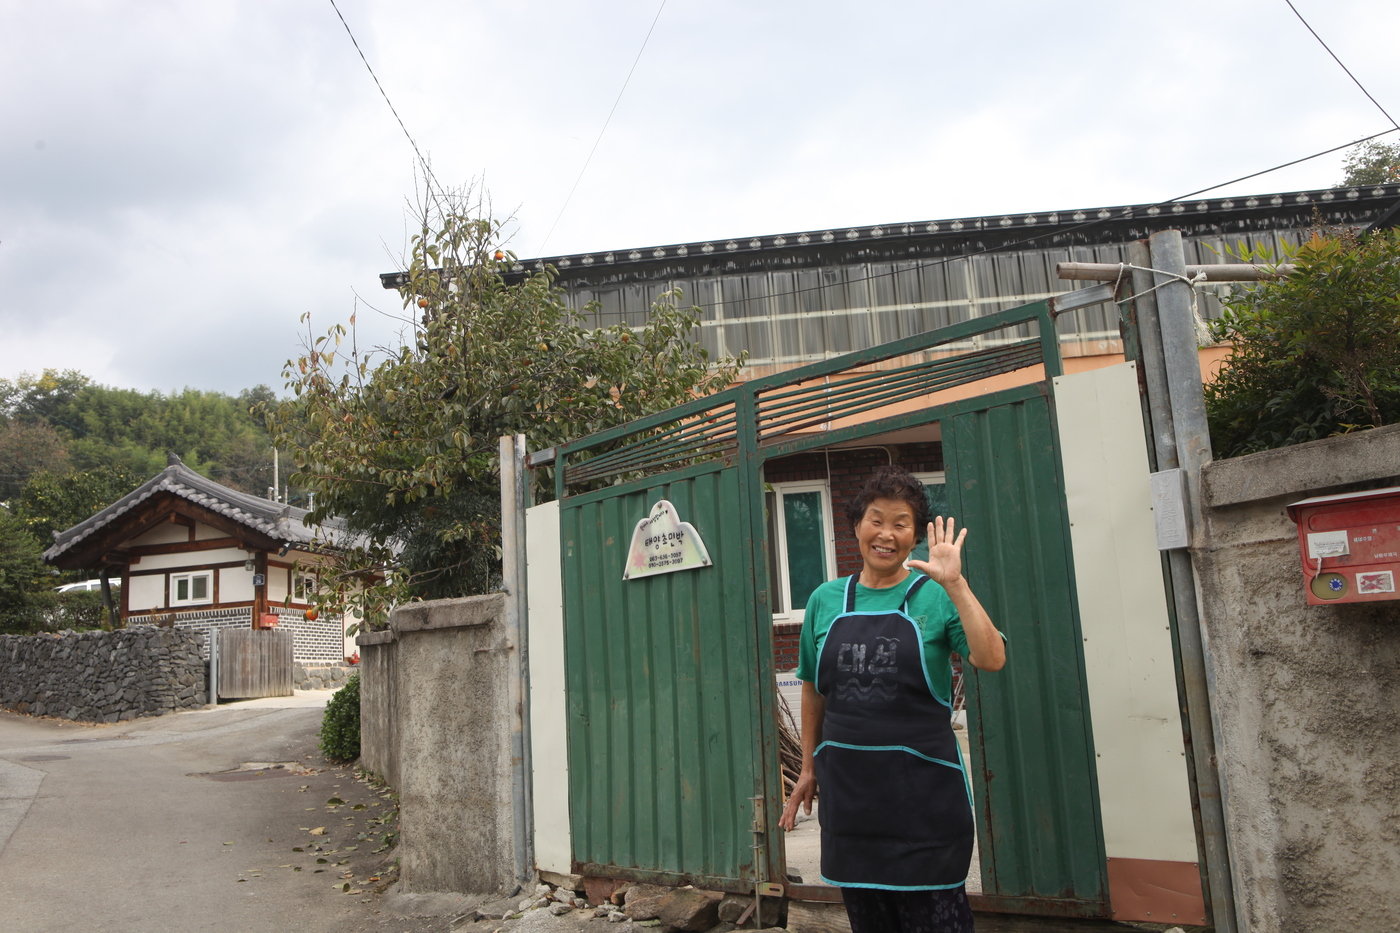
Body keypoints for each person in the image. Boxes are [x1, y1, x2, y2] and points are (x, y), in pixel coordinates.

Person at [778, 465, 1006, 933]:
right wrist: (806, 768)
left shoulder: (936, 596)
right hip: (852, 797)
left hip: (923, 797)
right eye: (876, 519)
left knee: (938, 920)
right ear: (857, 526)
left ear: (915, 535)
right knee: (869, 920)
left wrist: (956, 585)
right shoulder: (825, 599)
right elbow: (813, 688)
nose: (886, 534)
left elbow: (992, 658)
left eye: (901, 523)